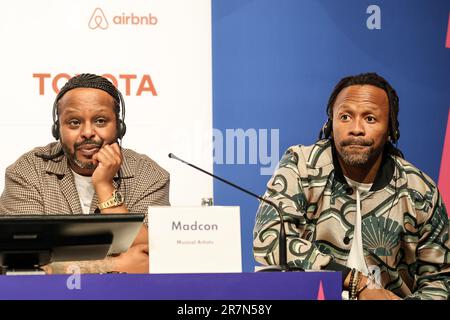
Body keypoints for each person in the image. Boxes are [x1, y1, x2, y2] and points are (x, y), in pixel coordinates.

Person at [253, 72, 449, 300]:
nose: (356, 128)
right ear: (330, 124)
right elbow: (270, 241)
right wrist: (355, 281)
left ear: (391, 130)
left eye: (370, 119)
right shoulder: (301, 165)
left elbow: (441, 279)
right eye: (345, 117)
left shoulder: (419, 190)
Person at [0, 74, 170, 274]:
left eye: (100, 121)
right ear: (57, 129)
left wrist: (105, 186)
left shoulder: (149, 175)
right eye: (73, 122)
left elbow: (154, 258)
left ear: (119, 127)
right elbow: (21, 264)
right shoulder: (28, 171)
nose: (87, 132)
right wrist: (113, 265)